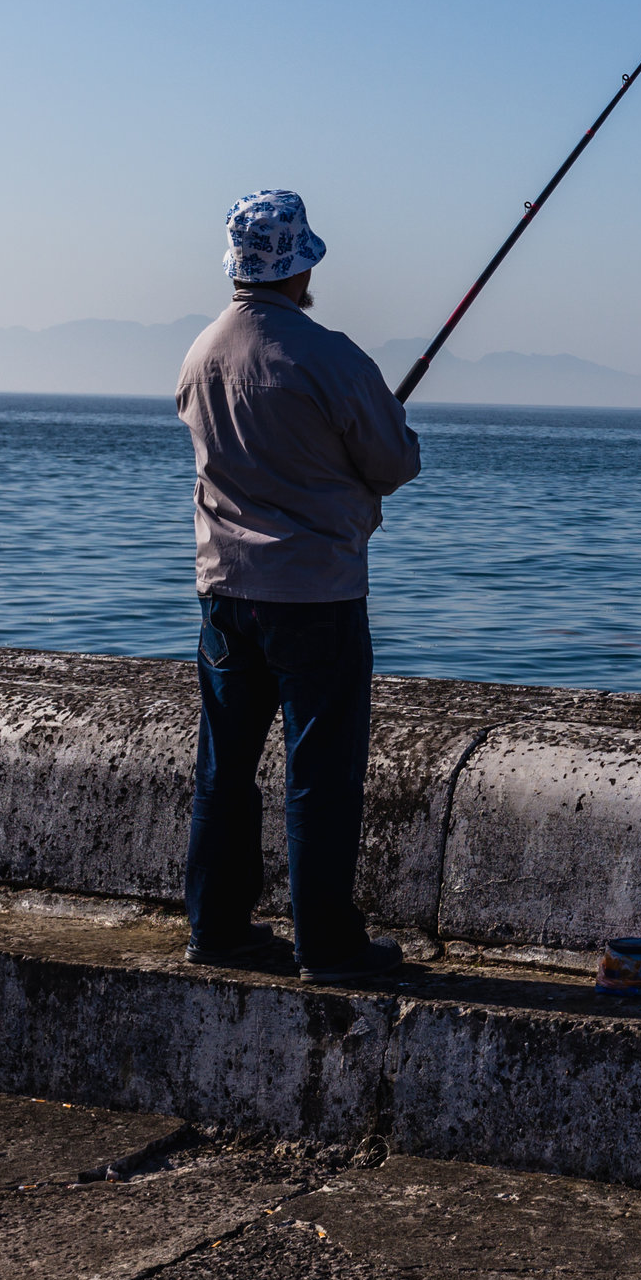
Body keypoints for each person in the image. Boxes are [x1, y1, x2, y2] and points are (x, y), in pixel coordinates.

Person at [175, 190, 421, 983]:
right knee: (320, 776)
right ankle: (327, 944)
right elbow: (394, 463)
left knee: (225, 768)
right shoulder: (330, 357)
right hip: (315, 597)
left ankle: (216, 927)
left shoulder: (200, 354)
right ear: (302, 263)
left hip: (224, 595)